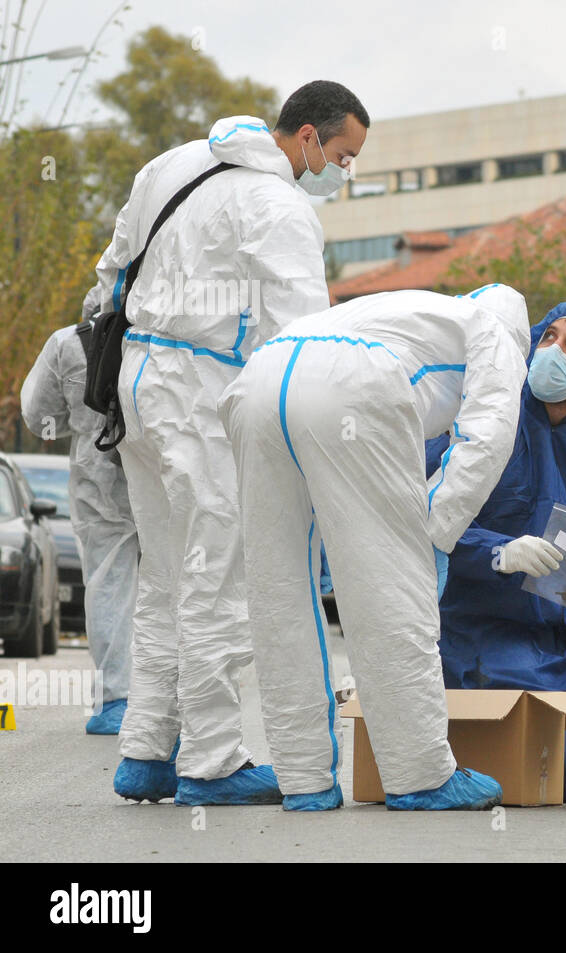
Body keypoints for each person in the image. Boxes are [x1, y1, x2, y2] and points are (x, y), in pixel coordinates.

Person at [94, 80, 370, 806]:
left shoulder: (175, 163)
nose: (340, 172)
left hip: (136, 383)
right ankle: (211, 762)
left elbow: (111, 272)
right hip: (201, 392)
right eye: (341, 155)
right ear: (308, 136)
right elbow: (302, 335)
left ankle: (146, 750)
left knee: (163, 572)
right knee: (216, 575)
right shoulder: (280, 208)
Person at [219, 285, 530, 812]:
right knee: (388, 591)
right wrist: (434, 526)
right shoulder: (496, 332)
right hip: (353, 386)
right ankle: (421, 775)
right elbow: (487, 436)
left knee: (278, 587)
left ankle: (303, 778)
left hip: (257, 381)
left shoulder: (414, 311)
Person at [430, 300, 566, 803]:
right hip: (481, 634)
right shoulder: (480, 424)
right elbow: (418, 515)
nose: (554, 351)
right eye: (548, 338)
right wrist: (497, 553)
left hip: (564, 634)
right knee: (563, 776)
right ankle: (549, 752)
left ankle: (554, 742)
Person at [20, 291, 139, 735]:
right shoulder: (166, 339)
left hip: (98, 480)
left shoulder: (69, 342)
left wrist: (82, 419)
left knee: (108, 584)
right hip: (164, 475)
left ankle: (116, 701)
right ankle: (172, 698)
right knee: (175, 585)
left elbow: (37, 416)